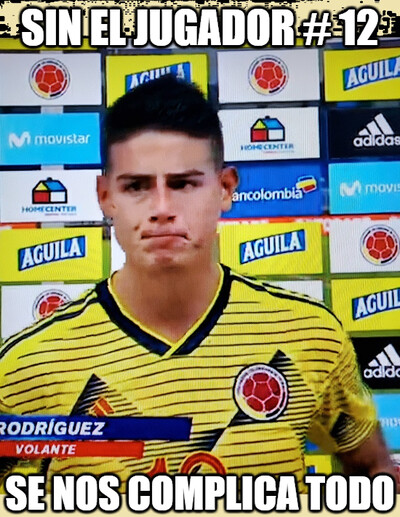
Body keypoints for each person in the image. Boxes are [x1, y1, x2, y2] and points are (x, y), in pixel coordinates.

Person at [0, 75, 395, 492]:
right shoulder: (29, 366)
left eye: (183, 183)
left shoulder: (309, 334)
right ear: (105, 196)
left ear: (225, 189)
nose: (162, 208)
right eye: (136, 186)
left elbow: (376, 473)